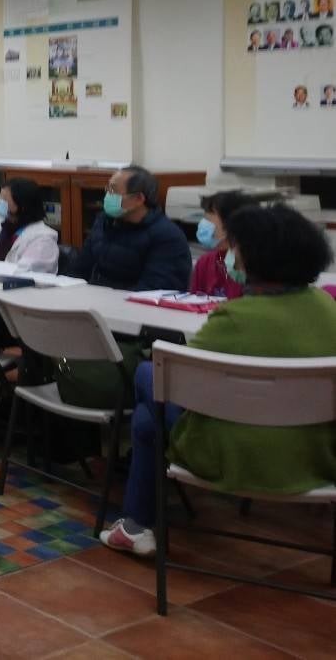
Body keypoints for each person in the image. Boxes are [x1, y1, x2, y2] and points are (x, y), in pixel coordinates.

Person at [100, 204, 336, 556]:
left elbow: (181, 385)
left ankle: (137, 524)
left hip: (231, 457)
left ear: (252, 257)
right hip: (318, 457)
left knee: (149, 379)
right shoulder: (329, 308)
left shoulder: (232, 318)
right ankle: (134, 526)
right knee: (151, 415)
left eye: (235, 247)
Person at [65, 166, 190, 291]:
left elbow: (154, 290)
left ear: (138, 199)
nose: (107, 195)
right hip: (94, 297)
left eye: (113, 190)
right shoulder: (104, 222)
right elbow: (80, 269)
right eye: (107, 189)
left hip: (129, 301)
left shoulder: (167, 237)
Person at [191, 190, 259, 298]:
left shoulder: (258, 266)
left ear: (232, 224)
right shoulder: (205, 263)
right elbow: (193, 302)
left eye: (209, 219)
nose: (203, 224)